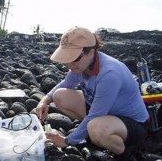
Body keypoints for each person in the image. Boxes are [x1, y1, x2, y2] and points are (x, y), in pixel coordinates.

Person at [36, 26, 149, 160]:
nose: (69, 64)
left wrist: (67, 141)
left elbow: (96, 114)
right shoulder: (82, 65)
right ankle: (94, 131)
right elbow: (66, 84)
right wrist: (44, 101)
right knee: (60, 95)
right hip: (107, 113)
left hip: (132, 124)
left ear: (90, 52)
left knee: (95, 127)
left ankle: (124, 152)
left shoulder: (109, 73)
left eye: (74, 58)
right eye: (67, 59)